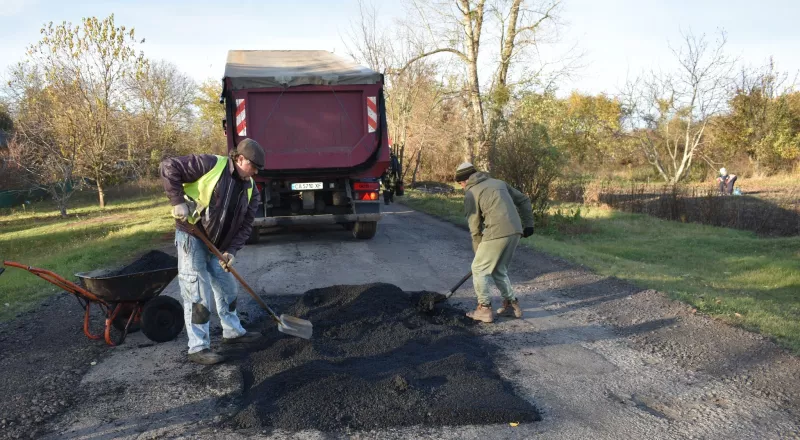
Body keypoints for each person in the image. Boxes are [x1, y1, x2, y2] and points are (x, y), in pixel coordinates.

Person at [159, 139, 266, 365]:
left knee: (228, 288)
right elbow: (168, 166)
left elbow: (246, 225)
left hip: (218, 246)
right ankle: (198, 347)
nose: (255, 172)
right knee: (197, 292)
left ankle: (233, 332)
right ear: (240, 159)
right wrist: (177, 201)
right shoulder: (210, 164)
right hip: (192, 235)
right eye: (253, 166)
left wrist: (231, 251)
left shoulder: (251, 189)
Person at [455, 162, 534, 323]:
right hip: (516, 230)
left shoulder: (471, 192)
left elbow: (474, 226)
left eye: (461, 183)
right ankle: (512, 305)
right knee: (499, 269)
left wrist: (478, 251)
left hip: (497, 231)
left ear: (465, 180)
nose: (462, 186)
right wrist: (529, 225)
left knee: (479, 269)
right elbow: (524, 200)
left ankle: (484, 309)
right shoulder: (499, 183)